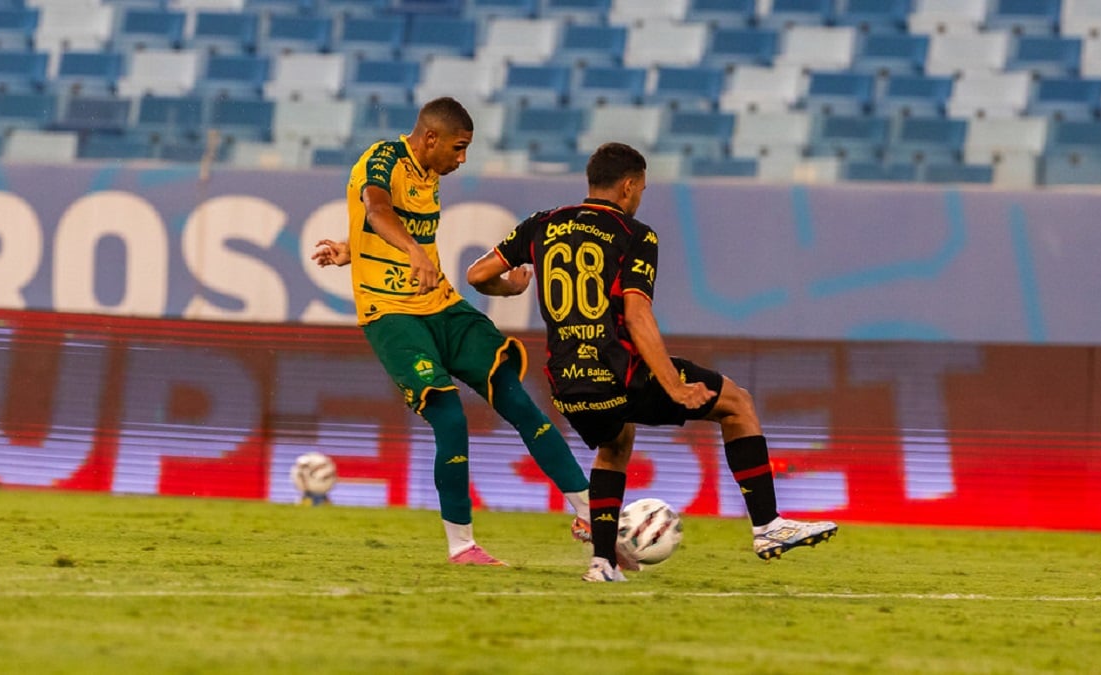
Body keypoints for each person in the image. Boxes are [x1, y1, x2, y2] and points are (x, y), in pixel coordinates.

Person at [467, 142, 838, 582]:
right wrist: (674, 385)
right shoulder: (635, 234)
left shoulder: (541, 224)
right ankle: (768, 526)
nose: (640, 196)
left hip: (566, 381)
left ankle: (603, 564)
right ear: (628, 186)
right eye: (641, 188)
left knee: (615, 444)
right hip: (617, 372)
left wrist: (510, 289)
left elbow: (477, 274)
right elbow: (637, 314)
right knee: (737, 404)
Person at [311, 97, 593, 566]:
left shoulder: (430, 176)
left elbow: (379, 228)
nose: (461, 160)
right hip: (392, 315)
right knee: (450, 418)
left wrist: (351, 249)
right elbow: (377, 211)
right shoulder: (382, 159)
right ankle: (462, 545)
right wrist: (415, 254)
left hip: (440, 305)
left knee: (516, 398)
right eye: (458, 148)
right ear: (430, 138)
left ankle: (589, 514)